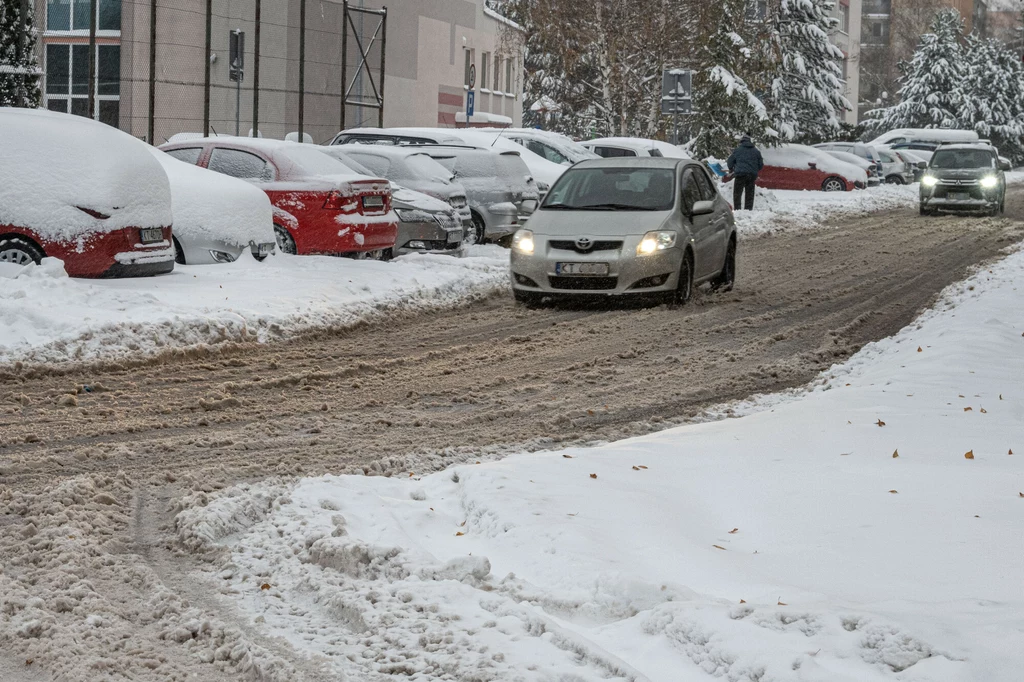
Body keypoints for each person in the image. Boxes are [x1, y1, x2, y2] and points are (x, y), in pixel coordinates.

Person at [726, 134, 764, 211]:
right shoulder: (756, 151)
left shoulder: (737, 150)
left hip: (740, 174)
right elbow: (760, 164)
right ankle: (748, 209)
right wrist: (755, 170)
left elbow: (730, 161)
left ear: (741, 142)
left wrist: (731, 168)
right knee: (749, 193)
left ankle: (737, 209)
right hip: (751, 175)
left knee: (737, 193)